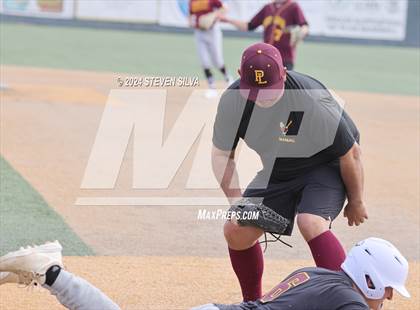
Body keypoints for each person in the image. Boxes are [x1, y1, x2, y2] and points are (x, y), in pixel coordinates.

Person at [211, 42, 368, 301]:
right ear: (240, 75)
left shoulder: (310, 97)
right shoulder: (232, 102)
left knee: (311, 221)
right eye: (255, 92)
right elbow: (221, 155)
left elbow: (350, 152)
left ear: (284, 73)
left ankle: (348, 303)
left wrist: (357, 200)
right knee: (235, 229)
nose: (264, 99)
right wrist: (237, 202)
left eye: (271, 91)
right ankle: (253, 304)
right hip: (279, 169)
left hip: (324, 166)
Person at [0, 238, 410, 310]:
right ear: (371, 278)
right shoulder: (350, 300)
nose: (388, 299)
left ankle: (51, 272)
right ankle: (49, 270)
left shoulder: (319, 275)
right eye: (389, 289)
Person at [221, 0, 309, 70]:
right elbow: (249, 26)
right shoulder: (268, 8)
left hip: (285, 57)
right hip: (267, 56)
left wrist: (302, 32)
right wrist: (228, 20)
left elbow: (304, 25)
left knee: (285, 87)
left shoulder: (293, 7)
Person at [189, 0, 233, 98]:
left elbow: (225, 8)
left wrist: (213, 15)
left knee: (217, 61)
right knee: (204, 62)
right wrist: (191, 22)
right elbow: (191, 16)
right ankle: (211, 87)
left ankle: (229, 79)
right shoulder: (192, 1)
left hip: (213, 32)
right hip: (199, 33)